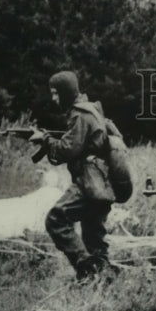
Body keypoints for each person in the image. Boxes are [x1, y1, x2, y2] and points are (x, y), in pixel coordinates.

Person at [33, 70, 116, 283]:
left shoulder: (80, 114)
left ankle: (87, 269)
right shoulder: (92, 110)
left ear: (67, 91)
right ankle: (104, 278)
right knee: (93, 236)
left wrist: (45, 140)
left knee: (56, 219)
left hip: (90, 182)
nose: (54, 98)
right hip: (102, 183)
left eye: (56, 93)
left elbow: (67, 150)